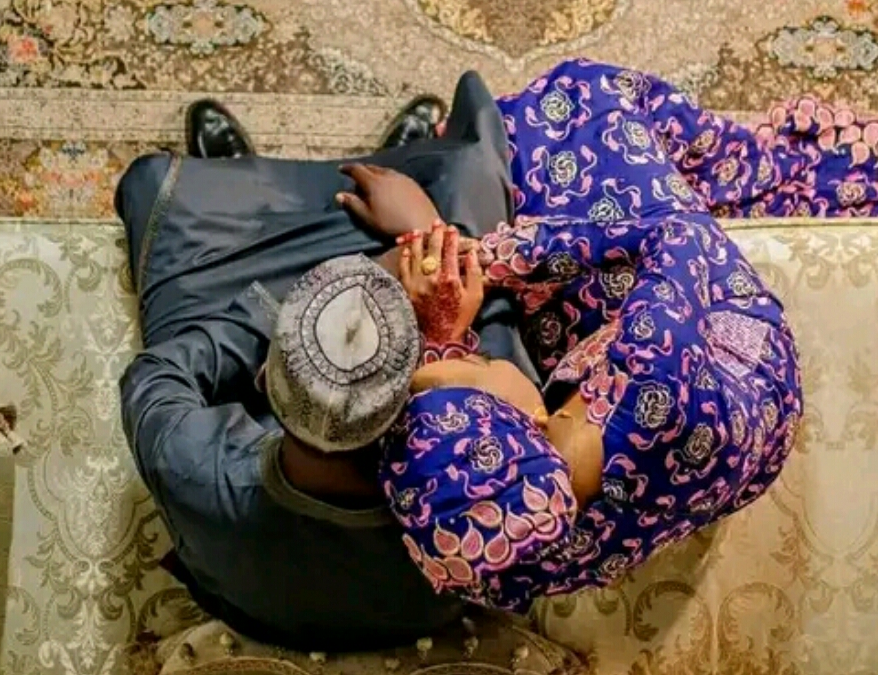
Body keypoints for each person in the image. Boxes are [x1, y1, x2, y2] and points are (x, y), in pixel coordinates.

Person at [340, 59, 830, 611]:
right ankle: (449, 156)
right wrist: (473, 250)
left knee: (541, 177)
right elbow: (681, 239)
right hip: (722, 330)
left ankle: (448, 157)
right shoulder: (654, 371)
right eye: (475, 365)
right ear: (535, 418)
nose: (467, 354)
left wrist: (465, 289)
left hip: (648, 383)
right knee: (585, 96)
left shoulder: (499, 547)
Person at [117, 74, 534, 651]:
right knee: (468, 198)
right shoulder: (478, 505)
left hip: (254, 604)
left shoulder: (192, 465)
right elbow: (496, 331)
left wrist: (284, 316)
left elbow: (153, 374)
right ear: (423, 382)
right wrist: (426, 240)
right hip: (414, 616)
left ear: (266, 379)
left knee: (151, 184)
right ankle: (396, 167)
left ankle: (237, 176)